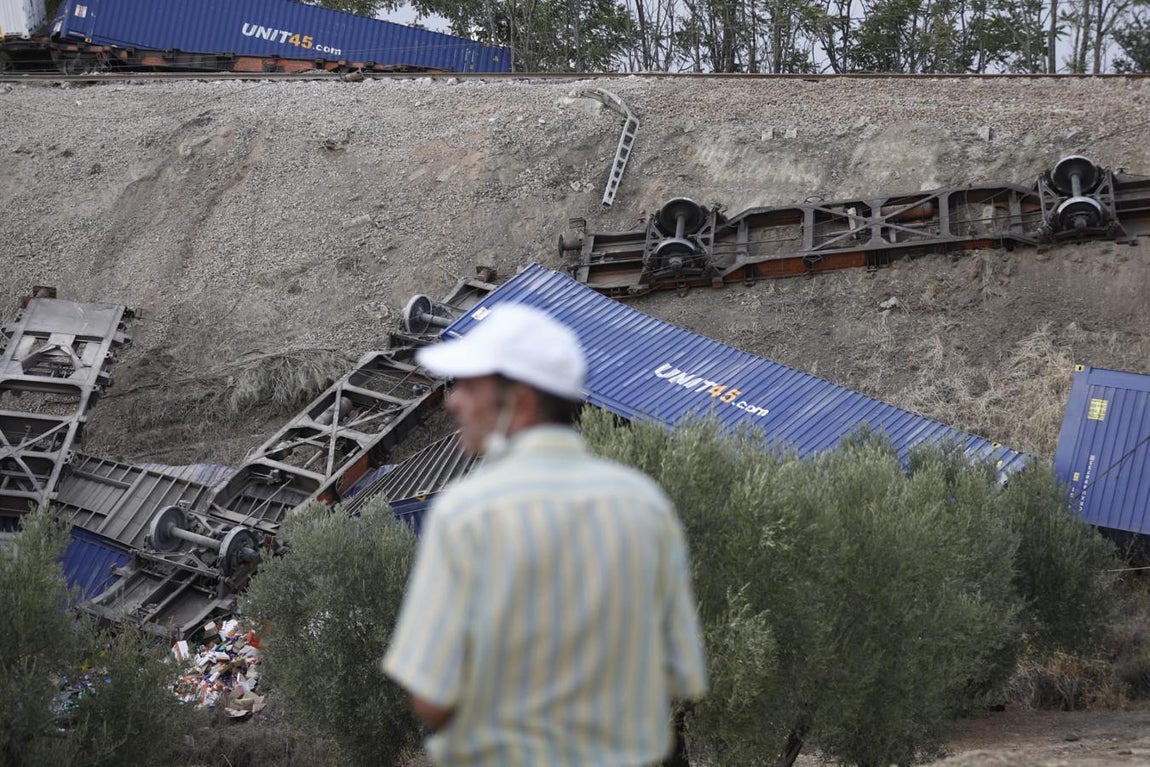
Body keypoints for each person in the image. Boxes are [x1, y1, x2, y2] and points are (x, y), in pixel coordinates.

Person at [382, 302, 708, 767]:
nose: (453, 401)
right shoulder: (644, 504)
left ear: (520, 399)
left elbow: (432, 695)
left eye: (470, 385)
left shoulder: (468, 515)